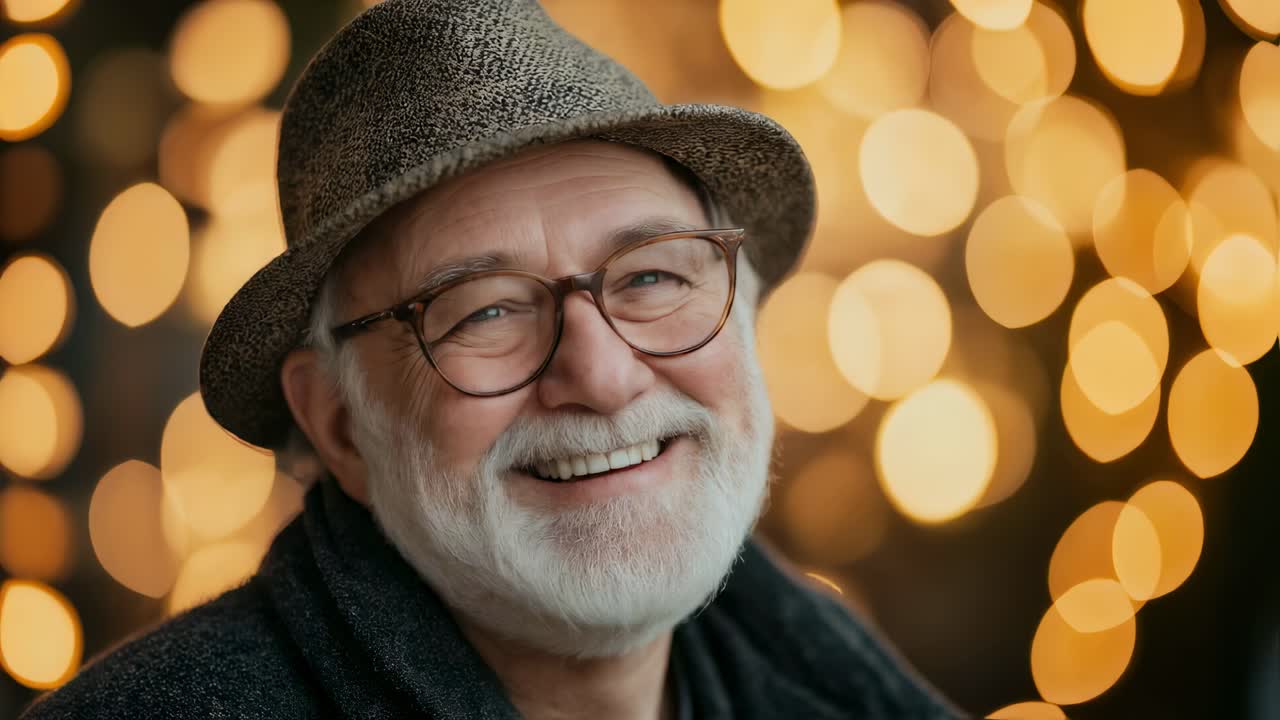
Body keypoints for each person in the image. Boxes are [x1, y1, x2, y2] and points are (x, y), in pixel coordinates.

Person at [24, 1, 962, 717]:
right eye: (488, 312)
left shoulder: (827, 684)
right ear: (340, 427)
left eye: (650, 280)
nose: (602, 376)